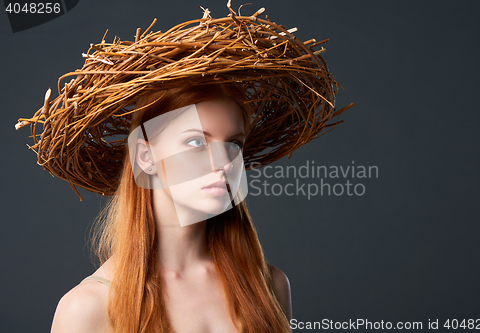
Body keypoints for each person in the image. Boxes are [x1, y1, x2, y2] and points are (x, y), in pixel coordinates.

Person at [15, 4, 352, 333]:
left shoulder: (269, 286)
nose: (223, 162)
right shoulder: (88, 308)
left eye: (233, 143)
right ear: (146, 157)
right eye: (196, 142)